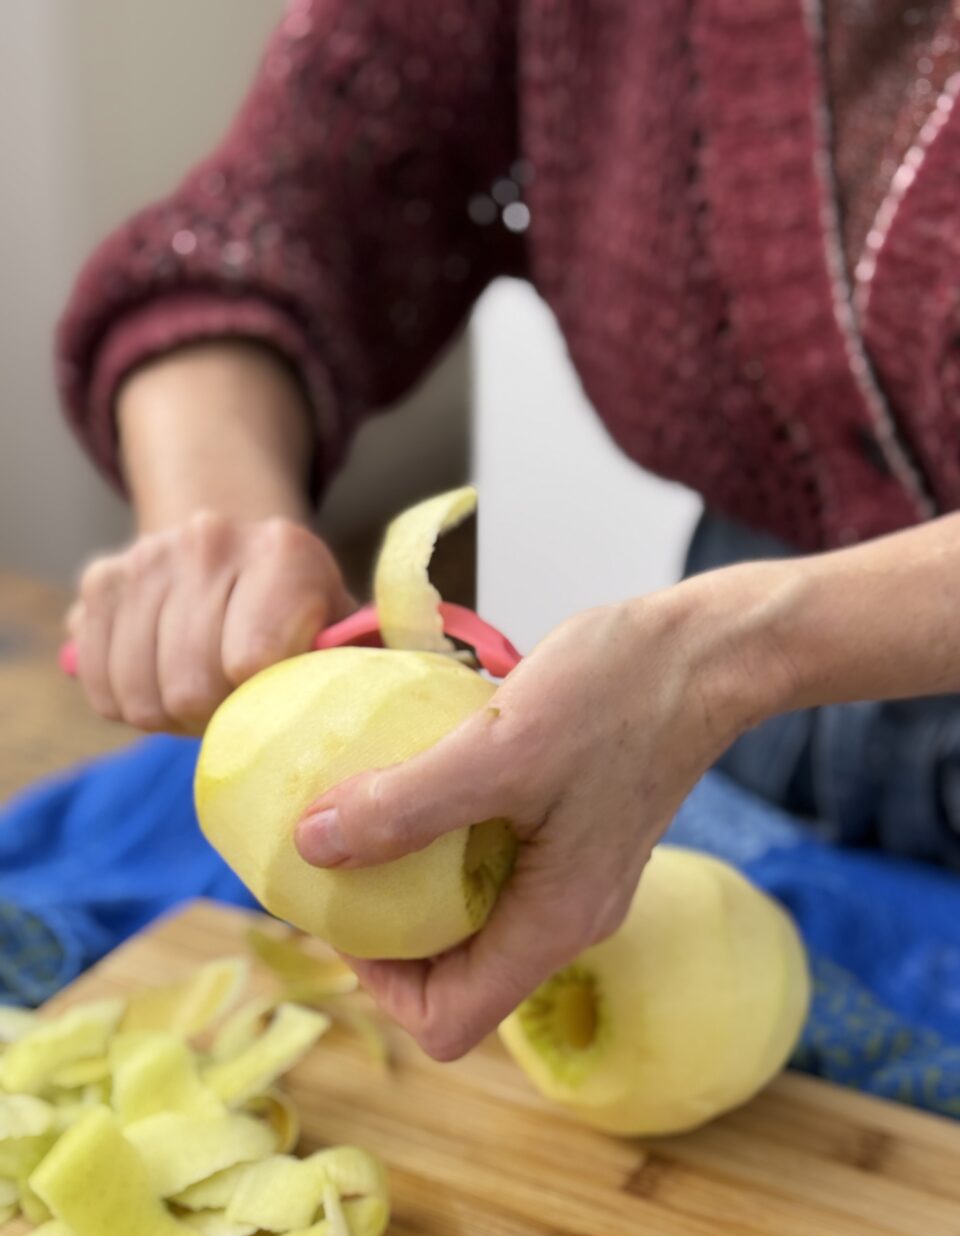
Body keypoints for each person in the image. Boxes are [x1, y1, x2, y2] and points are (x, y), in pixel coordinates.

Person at [57, 0, 960, 1060]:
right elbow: (251, 231)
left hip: (733, 667)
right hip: (742, 745)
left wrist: (725, 655)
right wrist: (216, 526)